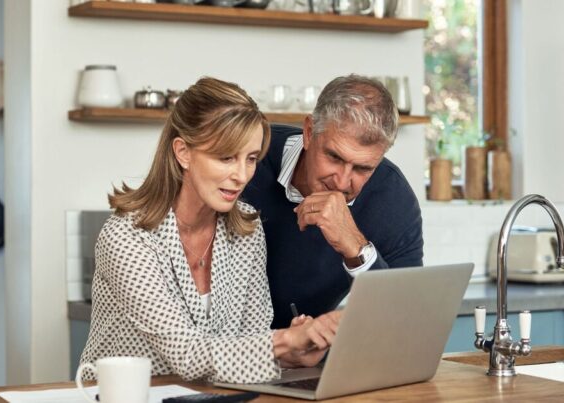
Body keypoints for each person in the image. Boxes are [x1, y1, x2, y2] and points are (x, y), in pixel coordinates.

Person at [80, 77, 341, 384]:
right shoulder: (127, 237)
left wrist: (291, 355)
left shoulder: (247, 231)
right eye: (226, 157)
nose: (242, 175)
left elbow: (249, 341)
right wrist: (284, 341)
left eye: (251, 159)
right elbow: (186, 354)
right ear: (183, 152)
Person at [242, 74, 424, 330]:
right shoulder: (249, 158)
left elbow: (405, 319)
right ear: (309, 132)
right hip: (225, 347)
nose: (342, 182)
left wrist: (357, 249)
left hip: (310, 349)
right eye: (334, 157)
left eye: (362, 168)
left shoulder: (393, 198)